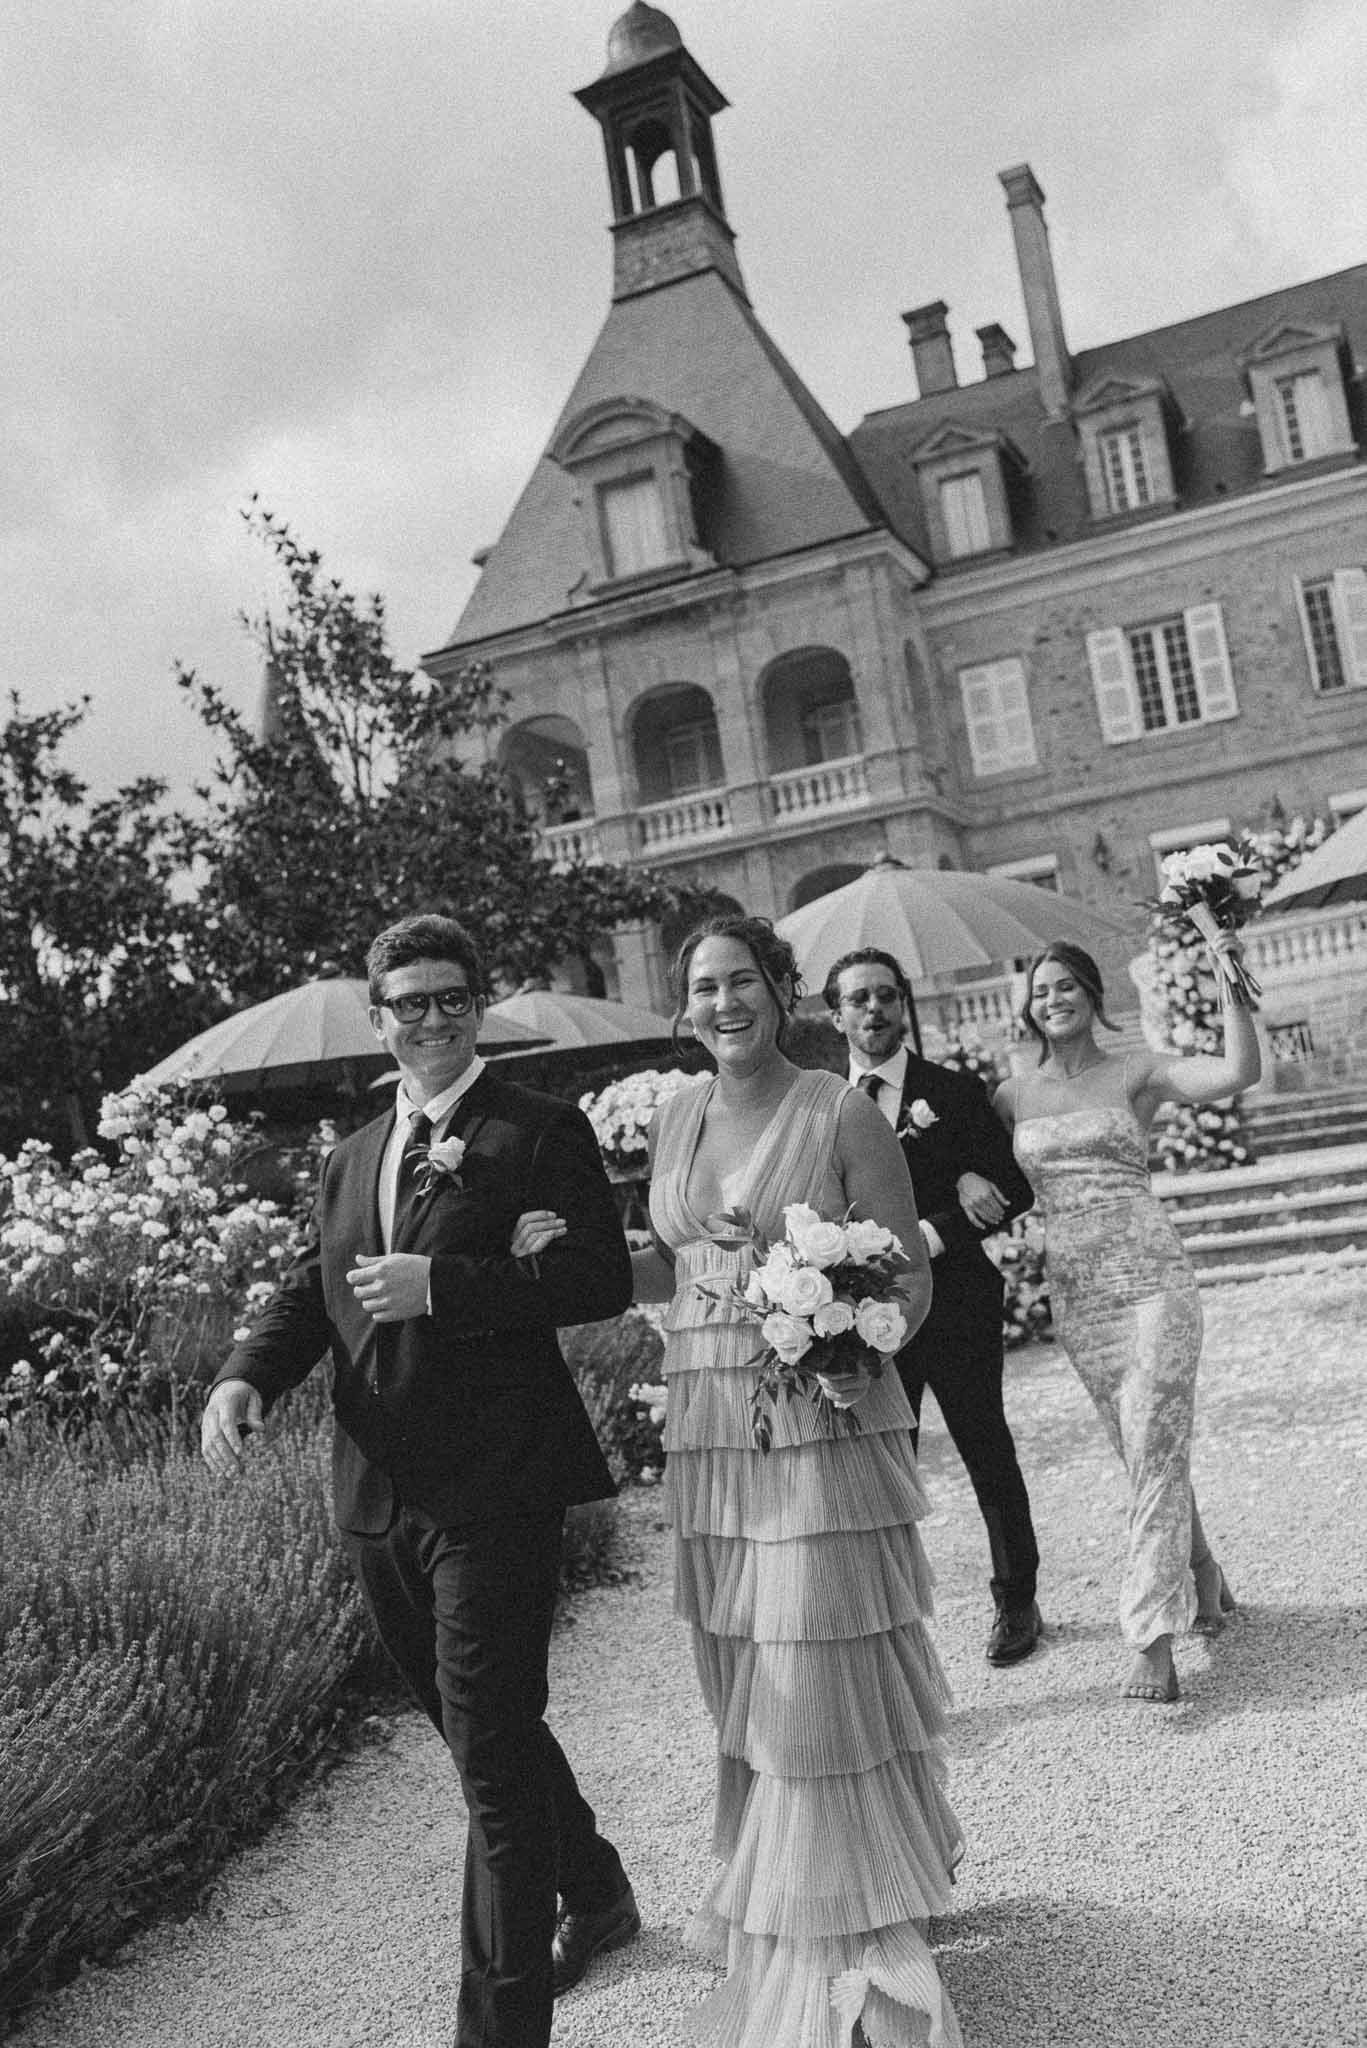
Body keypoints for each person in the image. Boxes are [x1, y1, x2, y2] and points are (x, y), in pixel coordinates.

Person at [515, 914, 965, 2048]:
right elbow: (668, 1264)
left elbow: (906, 1275)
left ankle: (849, 1952)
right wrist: (542, 1252)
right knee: (748, 1676)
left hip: (820, 1419)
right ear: (683, 1005)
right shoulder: (672, 1112)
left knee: (816, 1668)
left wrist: (842, 1324)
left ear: (780, 988)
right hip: (709, 1424)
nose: (723, 1002)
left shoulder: (840, 1108)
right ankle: (828, 1890)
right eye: (702, 986)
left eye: (742, 981)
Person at [200, 913, 639, 2048]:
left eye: (453, 997)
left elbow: (595, 1276)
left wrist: (445, 1281)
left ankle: (497, 2031)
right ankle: (595, 1886)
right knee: (472, 1723)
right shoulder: (349, 1154)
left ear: (479, 1001)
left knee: (489, 1752)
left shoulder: (539, 1128)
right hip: (377, 1488)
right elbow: (316, 1289)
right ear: (377, 1014)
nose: (434, 1018)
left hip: (498, 1483)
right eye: (411, 1001)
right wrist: (246, 1373)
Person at [992, 937, 1259, 1705]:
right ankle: (1203, 1572)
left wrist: (1225, 968)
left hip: (1150, 1281)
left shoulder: (1135, 1070)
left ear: (1091, 994)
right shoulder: (1010, 1096)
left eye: (1068, 985)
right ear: (1028, 1005)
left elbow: (1238, 1072)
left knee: (1149, 1436)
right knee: (1144, 1446)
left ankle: (1150, 1634)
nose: (1054, 998)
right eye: (1041, 989)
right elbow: (973, 1172)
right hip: (1077, 1294)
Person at [825, 949, 1043, 1668]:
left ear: (902, 1007)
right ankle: (892, 1623)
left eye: (886, 996)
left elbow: (1013, 1187)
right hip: (867, 1317)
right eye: (859, 999)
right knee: (886, 1461)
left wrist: (937, 1227)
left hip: (955, 1302)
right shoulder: (824, 1104)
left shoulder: (949, 1090)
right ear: (836, 1015)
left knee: (985, 1445)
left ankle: (1016, 1600)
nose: (874, 1010)